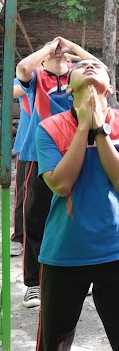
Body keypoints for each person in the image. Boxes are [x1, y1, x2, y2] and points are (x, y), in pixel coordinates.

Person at [36, 58, 119, 349]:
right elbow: (60, 185)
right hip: (64, 251)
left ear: (110, 88)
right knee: (54, 342)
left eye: (96, 66)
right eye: (80, 64)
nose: (88, 64)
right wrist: (82, 127)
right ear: (69, 87)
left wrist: (99, 128)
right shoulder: (49, 128)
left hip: (117, 248)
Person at [16, 36, 96, 309]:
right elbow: (23, 70)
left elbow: (98, 67)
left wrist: (72, 48)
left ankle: (79, 275)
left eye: (63, 52)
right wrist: (48, 48)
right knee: (35, 218)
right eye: (54, 51)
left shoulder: (77, 77)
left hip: (75, 153)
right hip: (39, 156)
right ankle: (33, 284)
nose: (59, 52)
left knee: (78, 216)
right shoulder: (37, 78)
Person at [10, 81, 30, 257]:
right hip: (27, 145)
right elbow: (12, 92)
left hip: (60, 144)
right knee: (23, 194)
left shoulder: (69, 72)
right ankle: (18, 237)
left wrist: (74, 52)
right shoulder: (28, 74)